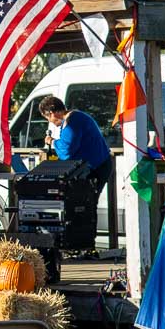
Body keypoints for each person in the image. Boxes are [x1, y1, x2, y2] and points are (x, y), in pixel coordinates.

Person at [38, 96, 113, 282]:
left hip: (96, 167)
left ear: (52, 112)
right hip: (94, 166)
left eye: (49, 119)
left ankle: (86, 246)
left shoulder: (74, 121)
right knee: (84, 206)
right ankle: (82, 245)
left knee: (86, 206)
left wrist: (51, 142)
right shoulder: (73, 119)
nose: (51, 122)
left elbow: (67, 150)